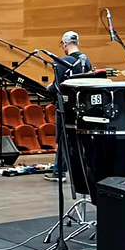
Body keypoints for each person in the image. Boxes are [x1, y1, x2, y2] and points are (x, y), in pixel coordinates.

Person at [43, 31, 93, 182]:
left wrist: (48, 88)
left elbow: (58, 86)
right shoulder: (86, 61)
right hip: (83, 106)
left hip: (65, 106)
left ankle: (59, 171)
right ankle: (81, 170)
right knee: (80, 138)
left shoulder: (62, 62)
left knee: (63, 138)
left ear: (64, 44)